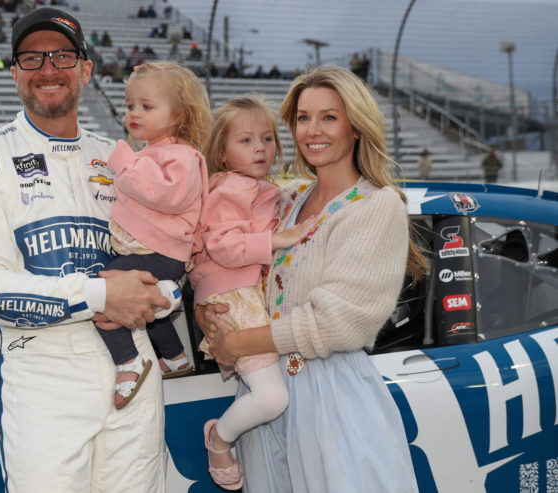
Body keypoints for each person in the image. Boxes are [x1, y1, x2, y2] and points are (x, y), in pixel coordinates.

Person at [0, 8, 169, 492]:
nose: (48, 69)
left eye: (62, 56)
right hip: (43, 375)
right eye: (32, 58)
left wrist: (165, 292)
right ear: (15, 74)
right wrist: (102, 296)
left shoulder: (120, 157)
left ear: (85, 69)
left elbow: (172, 247)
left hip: (136, 367)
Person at [197, 66, 427, 492]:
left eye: (329, 117)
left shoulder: (377, 206)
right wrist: (210, 315)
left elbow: (338, 322)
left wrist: (239, 343)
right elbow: (230, 267)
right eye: (303, 118)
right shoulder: (287, 200)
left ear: (356, 127)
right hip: (266, 396)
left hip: (333, 399)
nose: (312, 130)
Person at [191, 97, 315, 490]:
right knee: (272, 398)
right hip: (234, 295)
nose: (260, 148)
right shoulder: (230, 187)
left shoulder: (253, 186)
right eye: (245, 140)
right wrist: (276, 240)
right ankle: (219, 440)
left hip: (239, 293)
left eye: (267, 138)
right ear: (221, 152)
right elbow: (223, 246)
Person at [98, 61, 212, 409]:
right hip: (152, 250)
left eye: (146, 106)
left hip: (160, 252)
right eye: (130, 105)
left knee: (105, 295)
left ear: (178, 115)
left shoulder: (181, 156)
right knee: (147, 306)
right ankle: (175, 358)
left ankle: (128, 362)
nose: (134, 113)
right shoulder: (155, 152)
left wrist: (124, 162)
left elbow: (165, 196)